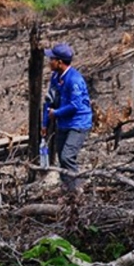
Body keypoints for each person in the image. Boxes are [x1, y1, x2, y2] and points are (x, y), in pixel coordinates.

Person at [41, 43, 92, 192]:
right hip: (63, 123)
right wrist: (45, 123)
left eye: (51, 59)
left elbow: (75, 106)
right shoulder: (55, 77)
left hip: (78, 124)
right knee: (62, 159)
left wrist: (56, 114)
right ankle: (69, 190)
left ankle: (77, 191)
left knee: (67, 157)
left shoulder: (74, 80)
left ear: (60, 62)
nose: (49, 61)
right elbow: (49, 101)